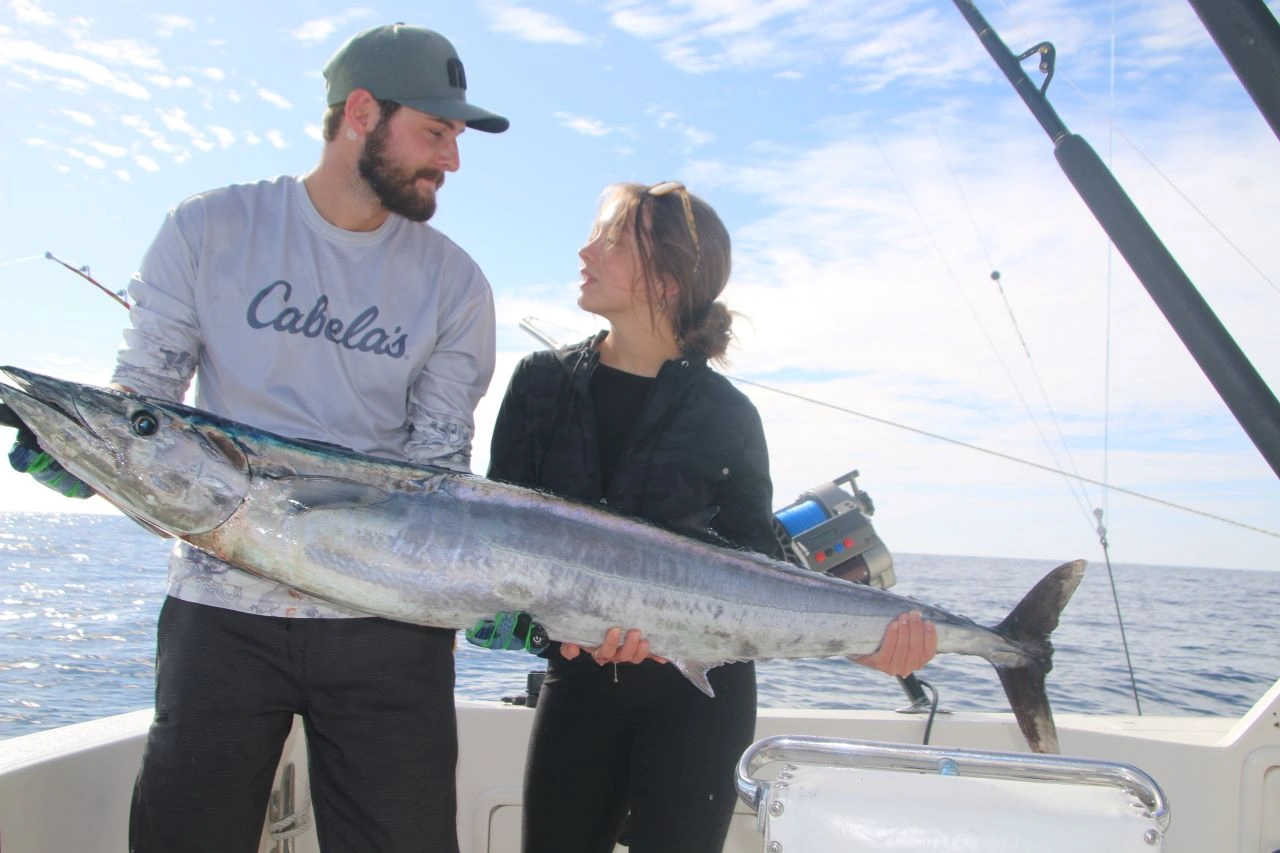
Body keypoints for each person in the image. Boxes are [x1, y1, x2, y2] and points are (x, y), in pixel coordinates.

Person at [5, 23, 507, 853]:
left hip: (386, 627)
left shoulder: (456, 284)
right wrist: (82, 461)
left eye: (454, 138)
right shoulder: (207, 228)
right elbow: (144, 404)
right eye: (436, 131)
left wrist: (477, 591)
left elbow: (437, 474)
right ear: (359, 113)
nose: (451, 159)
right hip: (218, 616)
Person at [482, 181, 937, 853]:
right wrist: (561, 631)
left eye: (610, 239)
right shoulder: (537, 387)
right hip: (577, 685)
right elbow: (498, 557)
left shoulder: (728, 417)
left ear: (668, 278)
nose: (585, 251)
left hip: (698, 704)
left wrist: (865, 641)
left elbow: (759, 570)